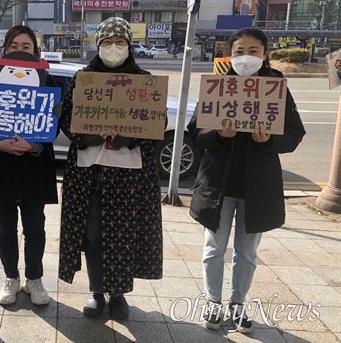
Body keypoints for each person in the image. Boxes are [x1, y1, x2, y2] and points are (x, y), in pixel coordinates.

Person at [187, 27, 306, 334]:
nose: (246, 58)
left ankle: (237, 305)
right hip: (218, 184)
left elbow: (294, 134)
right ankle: (213, 303)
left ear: (265, 55)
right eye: (239, 51)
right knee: (214, 247)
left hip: (258, 185)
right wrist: (218, 135)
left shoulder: (275, 87)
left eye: (253, 51)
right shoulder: (218, 86)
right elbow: (195, 134)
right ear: (230, 54)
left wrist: (269, 141)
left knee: (247, 252)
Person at [58, 17, 163, 320]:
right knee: (91, 234)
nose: (113, 48)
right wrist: (94, 134)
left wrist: (127, 137)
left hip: (129, 175)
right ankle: (96, 289)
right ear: (97, 45)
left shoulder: (144, 79)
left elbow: (157, 124)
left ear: (129, 46)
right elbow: (67, 119)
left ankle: (118, 295)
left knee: (122, 234)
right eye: (106, 42)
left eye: (120, 42)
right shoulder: (83, 78)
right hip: (88, 173)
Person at [0, 25, 58, 306]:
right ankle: (11, 277)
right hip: (0, 168)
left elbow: (55, 125)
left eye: (26, 47)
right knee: (4, 228)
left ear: (36, 52)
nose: (20, 52)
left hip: (35, 168)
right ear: (3, 51)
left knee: (35, 227)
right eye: (13, 46)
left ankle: (34, 278)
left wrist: (34, 145)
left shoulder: (50, 81)